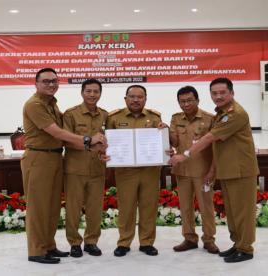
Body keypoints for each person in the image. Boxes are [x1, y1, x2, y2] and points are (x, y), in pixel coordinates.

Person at [169, 77, 259, 263]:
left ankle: (246, 248)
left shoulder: (235, 113)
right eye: (214, 93)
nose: (218, 96)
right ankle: (238, 245)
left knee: (243, 212)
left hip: (241, 170)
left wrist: (184, 154)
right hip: (228, 169)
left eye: (222, 92)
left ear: (232, 93)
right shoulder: (221, 113)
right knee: (234, 213)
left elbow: (209, 138)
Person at [21, 68, 106, 264]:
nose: (51, 85)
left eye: (54, 81)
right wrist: (88, 140)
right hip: (38, 159)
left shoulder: (52, 105)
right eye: (46, 81)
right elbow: (57, 133)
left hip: (54, 158)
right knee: (38, 207)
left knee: (51, 206)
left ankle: (49, 246)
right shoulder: (34, 104)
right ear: (36, 84)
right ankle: (36, 251)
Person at [106, 85, 167, 257]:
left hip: (150, 170)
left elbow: (161, 140)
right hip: (125, 171)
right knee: (126, 207)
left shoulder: (155, 117)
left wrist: (164, 138)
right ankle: (124, 242)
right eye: (132, 96)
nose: (135, 100)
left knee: (149, 207)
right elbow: (108, 141)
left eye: (140, 97)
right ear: (125, 99)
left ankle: (147, 242)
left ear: (145, 99)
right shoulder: (114, 118)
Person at [169, 86, 219, 254]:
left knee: (206, 207)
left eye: (190, 100)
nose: (186, 104)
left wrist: (212, 171)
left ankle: (209, 239)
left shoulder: (209, 119)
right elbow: (175, 143)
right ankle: (189, 238)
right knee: (185, 207)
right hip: (182, 171)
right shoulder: (176, 119)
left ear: (197, 100)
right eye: (182, 101)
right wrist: (163, 132)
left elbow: (215, 148)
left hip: (202, 171)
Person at [62, 79, 108, 258]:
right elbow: (66, 140)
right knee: (73, 209)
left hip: (97, 168)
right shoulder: (71, 114)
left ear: (100, 94)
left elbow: (109, 140)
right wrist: (90, 142)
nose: (92, 95)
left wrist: (106, 151)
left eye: (96, 91)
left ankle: (91, 242)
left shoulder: (105, 115)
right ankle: (74, 243)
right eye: (88, 91)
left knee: (95, 209)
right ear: (82, 93)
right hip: (75, 169)